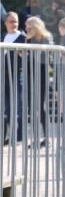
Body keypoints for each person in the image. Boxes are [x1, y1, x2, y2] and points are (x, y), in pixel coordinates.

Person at [22, 16, 54, 145]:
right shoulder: (28, 39)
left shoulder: (46, 38)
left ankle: (47, 137)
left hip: (41, 74)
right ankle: (35, 138)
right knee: (32, 107)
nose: (26, 29)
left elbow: (47, 57)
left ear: (35, 26)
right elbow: (24, 55)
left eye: (28, 26)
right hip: (29, 74)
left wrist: (30, 52)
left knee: (40, 107)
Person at [3, 12, 26, 145]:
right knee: (6, 109)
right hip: (4, 77)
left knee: (17, 107)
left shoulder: (22, 37)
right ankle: (8, 135)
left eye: (16, 21)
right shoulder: (3, 36)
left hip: (17, 76)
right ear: (5, 22)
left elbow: (26, 57)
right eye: (11, 21)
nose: (14, 24)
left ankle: (18, 136)